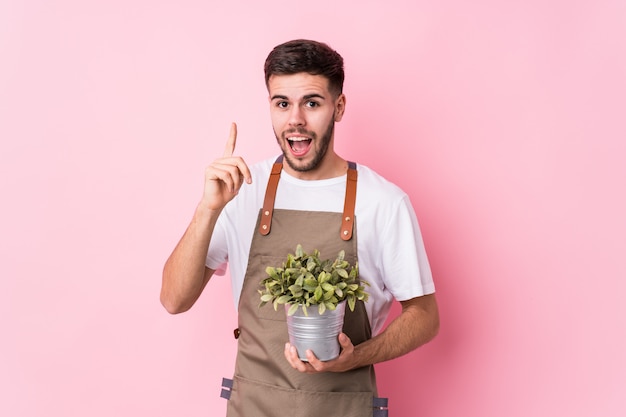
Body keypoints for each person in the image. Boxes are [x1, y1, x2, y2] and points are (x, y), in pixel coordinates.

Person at [161, 39, 439, 417]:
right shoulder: (241, 190)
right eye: (282, 103)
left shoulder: (384, 202)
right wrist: (207, 208)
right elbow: (174, 300)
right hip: (254, 407)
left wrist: (357, 356)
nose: (295, 119)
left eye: (312, 102)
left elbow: (425, 316)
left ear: (338, 108)